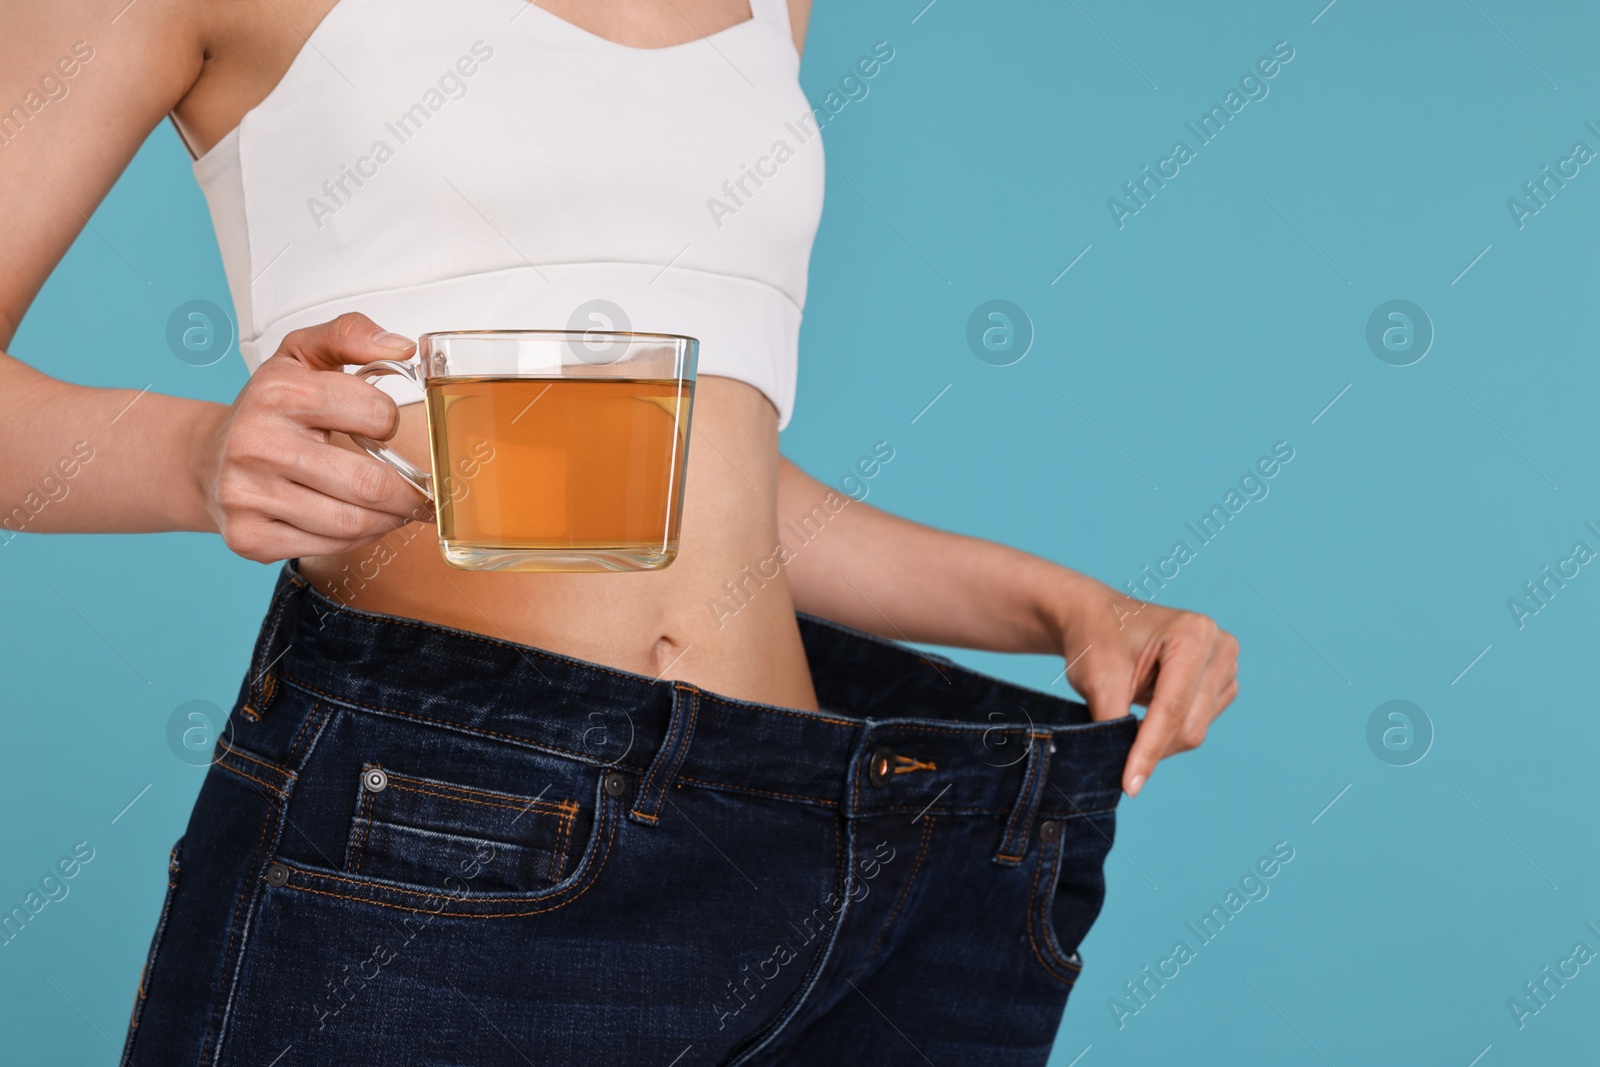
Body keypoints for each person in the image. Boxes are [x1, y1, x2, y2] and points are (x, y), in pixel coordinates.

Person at [2, 1, 1238, 1063]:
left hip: (818, 833)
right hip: (449, 827)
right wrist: (194, 456)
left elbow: (713, 487)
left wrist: (1070, 610)